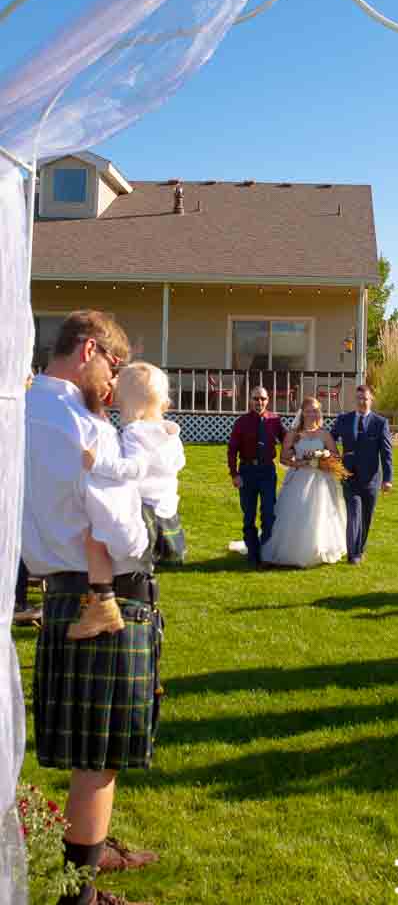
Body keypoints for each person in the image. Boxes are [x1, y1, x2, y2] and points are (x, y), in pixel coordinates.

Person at [22, 310, 160, 905]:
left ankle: (95, 850)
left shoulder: (25, 407)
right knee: (97, 756)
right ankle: (80, 895)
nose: (114, 381)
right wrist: (154, 532)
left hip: (62, 586)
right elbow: (125, 536)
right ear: (88, 350)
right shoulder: (85, 427)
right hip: (101, 594)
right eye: (114, 366)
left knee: (89, 747)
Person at [67, 361, 186, 640]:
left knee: (94, 539)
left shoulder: (136, 432)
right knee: (140, 576)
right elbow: (176, 464)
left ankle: (103, 601)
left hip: (143, 512)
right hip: (166, 512)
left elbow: (136, 468)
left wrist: (98, 462)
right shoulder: (170, 433)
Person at [262, 396, 347, 567]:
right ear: (302, 413)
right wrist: (302, 463)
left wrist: (324, 456)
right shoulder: (294, 435)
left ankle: (319, 547)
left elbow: (336, 456)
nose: (312, 414)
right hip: (299, 479)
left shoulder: (324, 434)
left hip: (321, 480)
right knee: (298, 512)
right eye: (308, 410)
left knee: (320, 513)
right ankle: (293, 549)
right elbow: (284, 459)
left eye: (315, 410)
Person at [331, 385, 393, 564]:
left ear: (371, 399)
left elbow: (386, 453)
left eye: (365, 398)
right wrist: (328, 457)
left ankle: (360, 548)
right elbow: (330, 440)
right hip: (349, 477)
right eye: (358, 398)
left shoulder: (380, 423)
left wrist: (388, 479)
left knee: (366, 516)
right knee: (354, 513)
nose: (361, 402)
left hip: (371, 479)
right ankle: (353, 555)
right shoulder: (343, 419)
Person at [228, 386, 286, 568]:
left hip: (267, 471)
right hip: (247, 472)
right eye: (256, 399)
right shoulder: (241, 422)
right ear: (250, 400)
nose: (259, 402)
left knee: (269, 513)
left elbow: (287, 440)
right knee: (249, 515)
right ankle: (253, 553)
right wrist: (234, 474)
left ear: (268, 400)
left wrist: (305, 440)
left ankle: (265, 551)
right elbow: (232, 450)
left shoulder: (275, 420)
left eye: (262, 399)